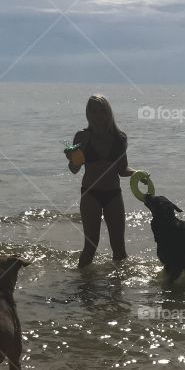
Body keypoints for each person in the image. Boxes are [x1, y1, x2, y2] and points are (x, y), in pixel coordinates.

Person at [65, 94, 132, 267]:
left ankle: (118, 291)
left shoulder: (120, 138)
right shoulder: (82, 136)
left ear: (108, 112)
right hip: (90, 194)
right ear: (88, 114)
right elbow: (74, 170)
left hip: (113, 194)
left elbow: (122, 169)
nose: (98, 116)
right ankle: (83, 286)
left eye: (101, 111)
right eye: (93, 112)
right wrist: (72, 158)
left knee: (119, 249)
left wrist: (139, 173)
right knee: (90, 246)